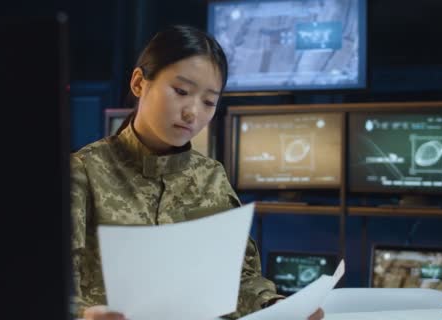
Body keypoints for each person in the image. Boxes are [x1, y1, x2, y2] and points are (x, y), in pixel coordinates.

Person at [70, 24, 325, 320]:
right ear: (139, 83)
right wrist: (84, 315)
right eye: (181, 91)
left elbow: (237, 279)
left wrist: (276, 307)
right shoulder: (84, 171)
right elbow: (52, 284)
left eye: (208, 102)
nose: (193, 112)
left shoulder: (211, 177)